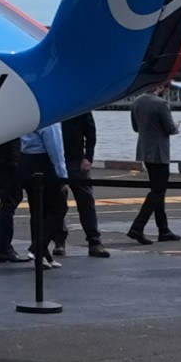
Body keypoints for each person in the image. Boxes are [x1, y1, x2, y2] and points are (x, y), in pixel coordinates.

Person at [124, 88, 179, 243]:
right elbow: (170, 128)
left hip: (145, 149)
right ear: (160, 87)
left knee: (157, 189)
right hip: (159, 151)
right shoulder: (161, 104)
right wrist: (176, 126)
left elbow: (135, 128)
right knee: (158, 191)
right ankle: (137, 226)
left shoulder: (137, 101)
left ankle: (163, 229)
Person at [16, 120, 68, 264]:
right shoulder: (51, 120)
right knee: (59, 208)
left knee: (37, 211)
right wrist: (62, 175)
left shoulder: (30, 118)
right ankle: (38, 247)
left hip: (26, 160)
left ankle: (43, 256)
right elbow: (55, 148)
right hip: (42, 163)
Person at [58, 110, 110, 258]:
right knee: (58, 202)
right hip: (58, 158)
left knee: (86, 201)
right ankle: (59, 239)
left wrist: (88, 156)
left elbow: (90, 132)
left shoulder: (80, 107)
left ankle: (94, 241)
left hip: (76, 159)